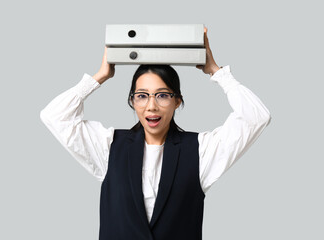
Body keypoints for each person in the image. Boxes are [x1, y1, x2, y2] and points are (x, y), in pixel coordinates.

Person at [40, 27, 271, 240]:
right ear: (132, 101)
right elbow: (54, 116)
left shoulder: (201, 150)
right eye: (142, 95)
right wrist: (100, 76)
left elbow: (256, 117)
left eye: (162, 95)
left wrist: (216, 71)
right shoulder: (108, 147)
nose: (151, 106)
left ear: (177, 101)